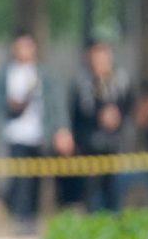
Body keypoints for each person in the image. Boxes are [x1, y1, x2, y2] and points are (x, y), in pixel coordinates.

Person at [56, 39, 130, 214]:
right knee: (90, 194)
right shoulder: (81, 82)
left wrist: (118, 116)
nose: (100, 60)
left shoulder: (121, 81)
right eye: (96, 55)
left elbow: (130, 107)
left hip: (114, 147)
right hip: (88, 147)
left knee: (114, 194)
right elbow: (73, 113)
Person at [0, 33, 46, 230]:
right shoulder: (7, 74)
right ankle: (20, 218)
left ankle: (33, 218)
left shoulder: (41, 73)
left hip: (38, 133)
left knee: (36, 180)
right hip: (17, 133)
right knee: (20, 180)